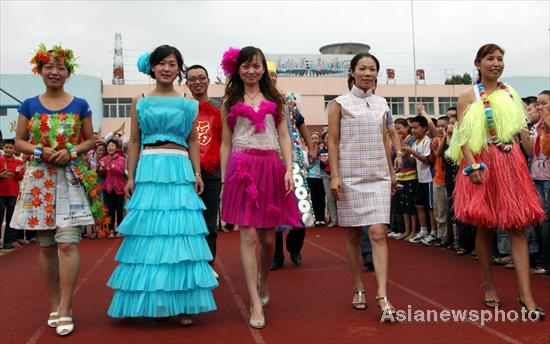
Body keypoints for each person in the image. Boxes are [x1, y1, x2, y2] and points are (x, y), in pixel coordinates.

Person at [107, 45, 217, 326]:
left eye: (173, 64)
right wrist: (131, 176)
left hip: (180, 167)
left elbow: (193, 141)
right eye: (162, 63)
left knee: (180, 234)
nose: (167, 68)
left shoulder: (187, 102)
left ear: (178, 69)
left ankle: (182, 304)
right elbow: (133, 141)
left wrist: (197, 173)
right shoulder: (140, 100)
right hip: (150, 167)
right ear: (152, 67)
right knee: (150, 235)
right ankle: (152, 301)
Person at [11, 44, 105, 336]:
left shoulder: (80, 105)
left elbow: (90, 140)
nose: (55, 72)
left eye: (61, 67)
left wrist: (71, 152)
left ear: (68, 72)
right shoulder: (29, 104)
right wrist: (40, 150)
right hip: (39, 180)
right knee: (47, 245)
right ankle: (54, 302)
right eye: (49, 67)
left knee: (68, 243)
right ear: (40, 71)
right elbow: (19, 142)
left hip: (71, 178)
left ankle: (65, 307)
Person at [446, 44, 545, 319]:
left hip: (511, 160)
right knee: (484, 227)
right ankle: (488, 283)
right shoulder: (468, 96)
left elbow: (520, 131)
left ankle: (526, 295)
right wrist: (472, 165)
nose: (496, 63)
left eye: (500, 59)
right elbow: (462, 136)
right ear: (478, 63)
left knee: (518, 227)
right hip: (482, 163)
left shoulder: (510, 93)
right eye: (490, 58)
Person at [220, 46, 300, 329]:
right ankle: (254, 301)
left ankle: (262, 280)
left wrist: (289, 168)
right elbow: (226, 143)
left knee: (268, 241)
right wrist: (224, 178)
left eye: (256, 65)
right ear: (236, 69)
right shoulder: (229, 101)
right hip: (241, 168)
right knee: (249, 236)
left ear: (263, 68)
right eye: (245, 66)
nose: (251, 70)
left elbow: (284, 137)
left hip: (270, 167)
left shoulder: (276, 99)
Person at [327, 52, 398, 321]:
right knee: (354, 236)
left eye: (372, 69)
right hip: (349, 177)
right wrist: (335, 176)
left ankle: (382, 294)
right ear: (352, 71)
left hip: (378, 175)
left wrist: (391, 172)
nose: (367, 73)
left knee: (378, 233)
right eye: (362, 68)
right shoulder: (339, 104)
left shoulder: (382, 103)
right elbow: (333, 141)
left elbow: (386, 139)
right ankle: (358, 286)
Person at [267, 61, 316, 270]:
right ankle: (276, 255)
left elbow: (301, 124)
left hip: (293, 159)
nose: (270, 78)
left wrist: (311, 147)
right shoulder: (257, 102)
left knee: (301, 203)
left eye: (273, 75)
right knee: (273, 209)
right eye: (267, 75)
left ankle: (295, 248)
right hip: (268, 161)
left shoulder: (289, 101)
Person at [185, 65, 222, 275]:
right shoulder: (183, 108)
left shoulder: (219, 108)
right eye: (192, 79)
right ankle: (190, 262)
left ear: (208, 80)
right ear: (187, 84)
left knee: (209, 222)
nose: (197, 82)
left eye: (201, 78)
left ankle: (208, 264)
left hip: (213, 172)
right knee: (188, 221)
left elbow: (225, 141)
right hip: (186, 172)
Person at [403, 116, 437, 243]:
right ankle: (423, 231)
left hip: (429, 178)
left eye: (415, 128)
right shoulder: (415, 142)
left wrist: (412, 151)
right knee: (419, 205)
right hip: (421, 178)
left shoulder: (427, 141)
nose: (413, 131)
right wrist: (407, 154)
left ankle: (433, 232)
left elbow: (428, 160)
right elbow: (414, 160)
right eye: (411, 128)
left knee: (430, 207)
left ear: (424, 128)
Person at [98, 139, 126, 238]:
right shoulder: (104, 159)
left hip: (119, 188)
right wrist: (101, 169)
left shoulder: (122, 159)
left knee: (119, 209)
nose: (110, 147)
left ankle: (120, 229)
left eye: (112, 145)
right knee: (110, 210)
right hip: (108, 188)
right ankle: (111, 230)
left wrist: (112, 165)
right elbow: (102, 173)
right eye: (108, 146)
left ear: (117, 148)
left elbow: (122, 171)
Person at [0, 139, 25, 249]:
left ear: (15, 150)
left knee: (11, 217)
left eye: (11, 148)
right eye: (6, 147)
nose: (8, 150)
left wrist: (18, 172)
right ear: (3, 148)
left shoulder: (19, 163)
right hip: (1, 192)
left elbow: (20, 178)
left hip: (13, 192)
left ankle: (8, 241)